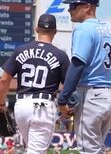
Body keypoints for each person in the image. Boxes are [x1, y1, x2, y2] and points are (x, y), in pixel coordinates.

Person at [57, 0, 111, 153]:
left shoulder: (84, 29)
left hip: (91, 95)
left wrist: (63, 99)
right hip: (108, 95)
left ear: (88, 7)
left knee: (88, 150)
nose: (69, 9)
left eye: (73, 5)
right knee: (96, 148)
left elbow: (77, 64)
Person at [0, 14, 70, 153]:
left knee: (31, 149)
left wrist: (1, 103)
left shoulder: (20, 50)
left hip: (21, 107)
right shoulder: (60, 55)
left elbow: (4, 79)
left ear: (36, 29)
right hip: (42, 107)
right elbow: (68, 86)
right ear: (55, 31)